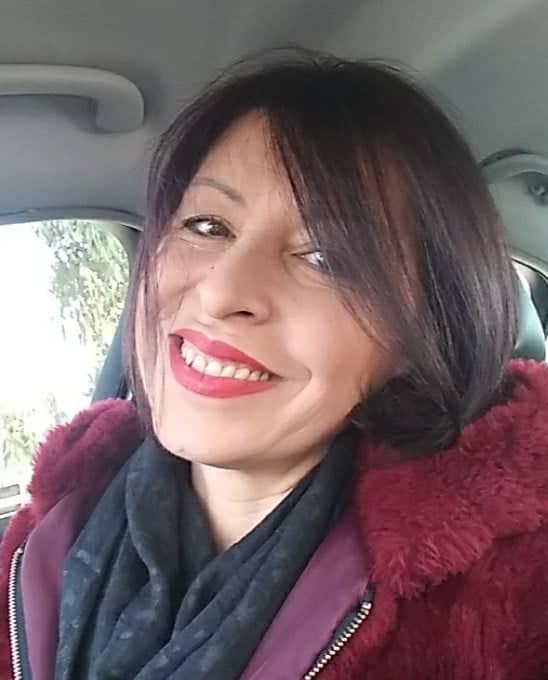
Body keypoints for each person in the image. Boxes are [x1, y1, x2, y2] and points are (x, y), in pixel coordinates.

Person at [1, 49, 548, 680]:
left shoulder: (512, 600)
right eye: (208, 225)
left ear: (415, 340)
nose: (222, 291)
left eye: (326, 259)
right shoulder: (43, 535)